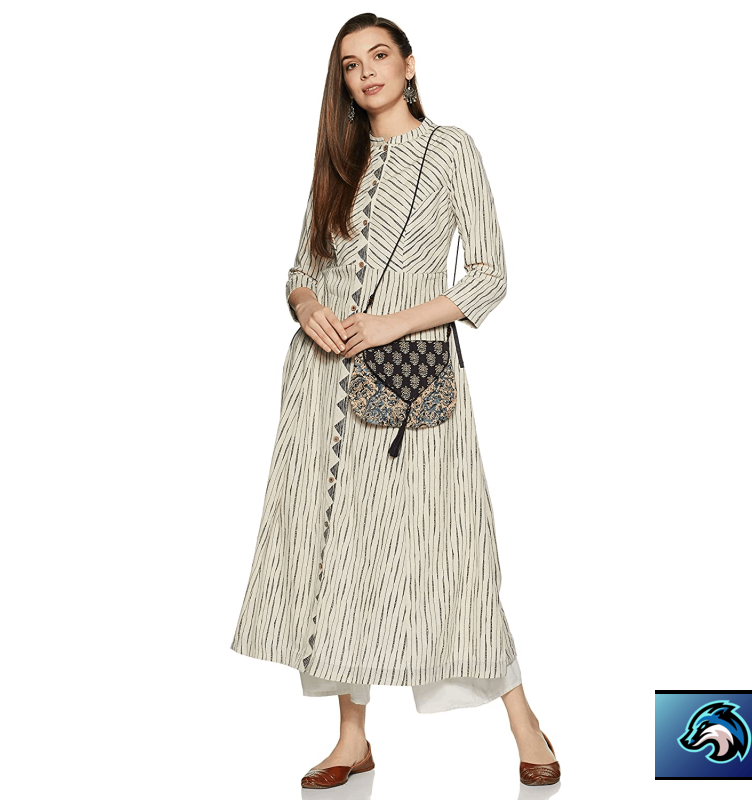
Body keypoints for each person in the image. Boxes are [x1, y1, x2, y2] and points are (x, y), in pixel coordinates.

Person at [230, 13, 561, 789]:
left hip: (412, 385)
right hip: (322, 386)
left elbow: (489, 274)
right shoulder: (339, 159)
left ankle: (525, 721)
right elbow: (300, 269)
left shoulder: (452, 149)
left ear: (409, 64)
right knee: (337, 549)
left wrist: (390, 322)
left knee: (451, 549)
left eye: (379, 56)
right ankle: (351, 739)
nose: (367, 73)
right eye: (351, 65)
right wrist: (308, 307)